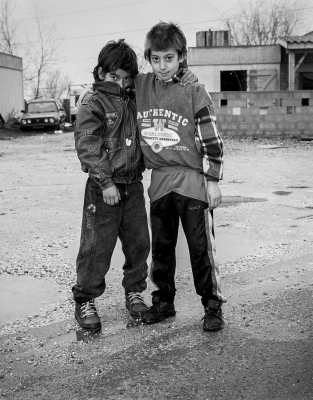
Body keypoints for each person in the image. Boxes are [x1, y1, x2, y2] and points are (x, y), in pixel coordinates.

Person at [134, 22, 226, 331]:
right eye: (156, 58)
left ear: (182, 57)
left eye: (169, 58)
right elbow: (113, 87)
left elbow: (212, 139)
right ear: (149, 57)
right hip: (159, 182)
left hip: (191, 181)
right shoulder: (141, 87)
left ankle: (212, 306)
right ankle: (163, 302)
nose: (162, 66)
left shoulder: (194, 89)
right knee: (161, 249)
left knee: (201, 249)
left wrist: (212, 181)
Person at [72, 39, 150, 331]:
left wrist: (186, 74)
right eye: (113, 76)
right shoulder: (93, 102)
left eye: (126, 78)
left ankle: (135, 292)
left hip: (133, 185)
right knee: (96, 247)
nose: (120, 83)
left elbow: (162, 81)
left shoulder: (137, 98)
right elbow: (88, 144)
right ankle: (85, 300)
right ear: (101, 73)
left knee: (139, 243)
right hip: (103, 188)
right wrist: (105, 182)